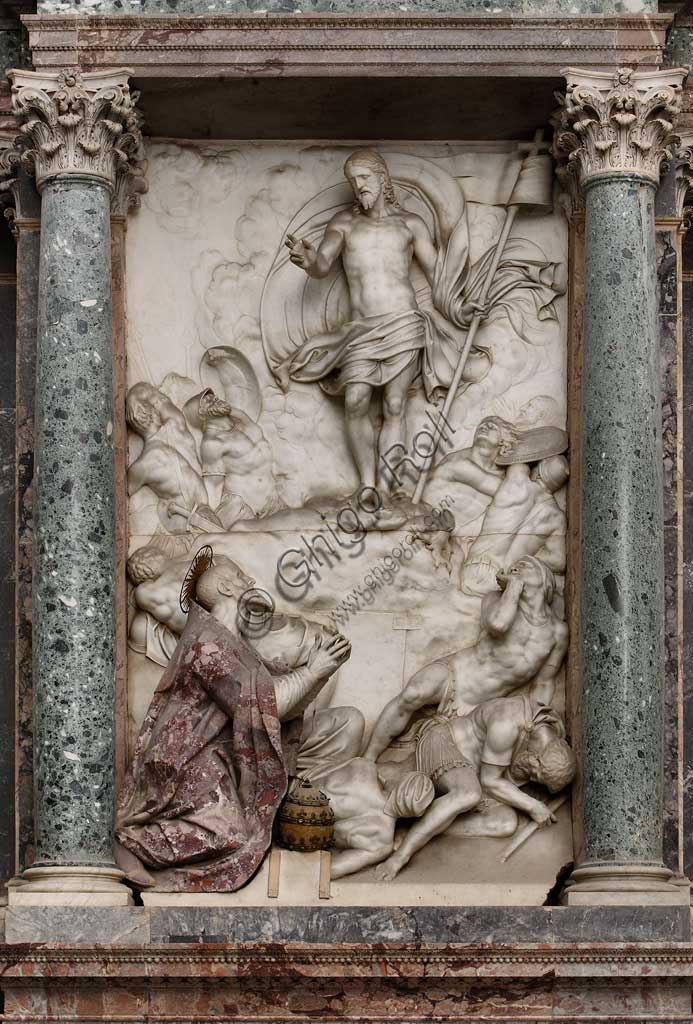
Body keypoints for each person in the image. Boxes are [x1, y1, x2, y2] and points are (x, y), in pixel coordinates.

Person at [116, 549, 351, 891]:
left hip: (212, 758)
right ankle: (131, 841)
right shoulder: (209, 646)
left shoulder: (228, 642)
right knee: (229, 834)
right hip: (182, 763)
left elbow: (273, 706)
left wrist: (317, 675)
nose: (250, 582)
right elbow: (262, 704)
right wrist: (314, 671)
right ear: (227, 588)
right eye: (242, 578)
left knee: (235, 835)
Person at [283, 148, 489, 496]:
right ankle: (367, 484)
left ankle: (388, 488)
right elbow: (322, 265)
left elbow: (439, 277)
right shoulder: (344, 224)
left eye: (363, 178)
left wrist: (461, 309)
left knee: (395, 405)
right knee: (356, 400)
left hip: (403, 323)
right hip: (361, 329)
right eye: (352, 180)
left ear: (382, 177)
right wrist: (308, 258)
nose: (357, 186)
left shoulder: (410, 224)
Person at [364, 554, 569, 762]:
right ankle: (367, 758)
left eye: (523, 566)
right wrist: (513, 588)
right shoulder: (496, 599)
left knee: (446, 758)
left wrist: (530, 722)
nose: (515, 568)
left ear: (545, 578)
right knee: (412, 694)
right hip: (456, 672)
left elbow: (544, 682)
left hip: (479, 704)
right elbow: (499, 624)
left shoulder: (557, 632)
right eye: (513, 567)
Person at [370, 693, 576, 881]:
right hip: (447, 745)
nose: (531, 778)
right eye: (535, 775)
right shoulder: (506, 724)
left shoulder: (552, 730)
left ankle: (420, 828)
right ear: (537, 760)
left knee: (505, 823)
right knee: (467, 794)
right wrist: (533, 806)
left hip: (477, 774)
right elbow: (490, 781)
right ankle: (400, 857)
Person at [296, 706, 435, 879]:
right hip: (294, 828)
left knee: (352, 718)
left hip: (298, 778)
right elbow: (329, 870)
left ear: (399, 783)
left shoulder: (366, 770)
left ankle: (282, 741)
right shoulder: (381, 842)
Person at [461, 452, 568, 598]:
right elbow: (559, 561)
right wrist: (526, 556)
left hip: (475, 568)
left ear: (537, 470)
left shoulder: (517, 481)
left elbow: (518, 453)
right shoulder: (557, 517)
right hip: (503, 582)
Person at [126, 382, 222, 534]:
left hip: (196, 521)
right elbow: (157, 397)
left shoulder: (142, 466)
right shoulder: (176, 425)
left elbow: (120, 496)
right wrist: (133, 398)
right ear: (154, 413)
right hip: (197, 523)